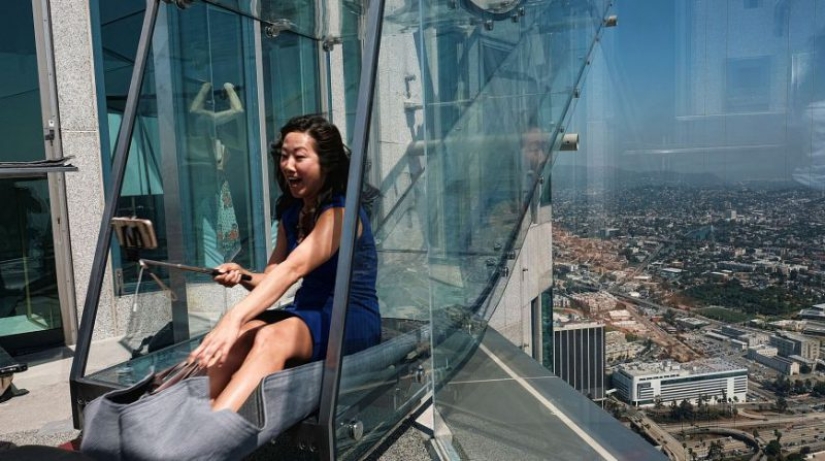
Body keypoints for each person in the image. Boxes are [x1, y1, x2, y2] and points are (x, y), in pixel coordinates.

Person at [189, 114, 381, 412]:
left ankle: (211, 434)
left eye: (299, 157)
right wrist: (242, 275)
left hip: (350, 317)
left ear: (326, 164)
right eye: (284, 156)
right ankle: (184, 416)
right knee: (243, 334)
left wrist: (231, 318)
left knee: (269, 336)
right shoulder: (292, 214)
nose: (288, 165)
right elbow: (272, 278)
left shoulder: (341, 214)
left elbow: (294, 270)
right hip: (307, 313)